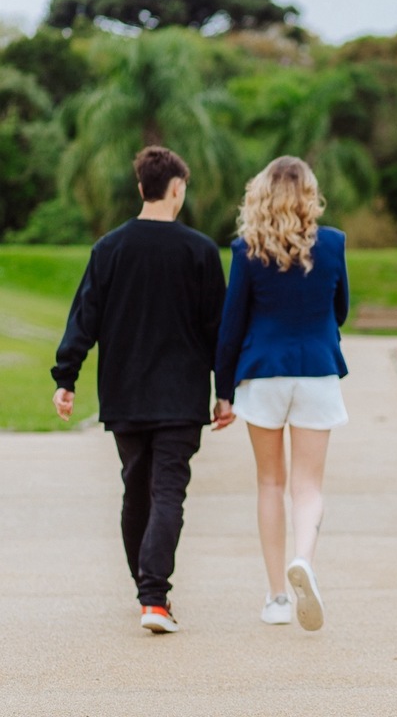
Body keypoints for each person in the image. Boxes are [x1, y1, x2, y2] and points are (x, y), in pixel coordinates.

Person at [52, 146, 231, 634]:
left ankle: (147, 590)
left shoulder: (109, 248)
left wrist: (65, 378)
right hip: (180, 397)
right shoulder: (199, 251)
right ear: (177, 188)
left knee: (137, 489)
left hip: (125, 393)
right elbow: (218, 329)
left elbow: (83, 316)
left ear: (140, 189)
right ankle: (154, 598)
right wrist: (226, 390)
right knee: (167, 490)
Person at [214, 156, 349, 631]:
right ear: (310, 194)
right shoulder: (333, 244)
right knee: (308, 485)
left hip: (264, 374)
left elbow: (231, 325)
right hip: (316, 370)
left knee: (270, 482)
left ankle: (275, 598)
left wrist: (223, 391)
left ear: (261, 194)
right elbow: (342, 309)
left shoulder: (247, 249)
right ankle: (304, 560)